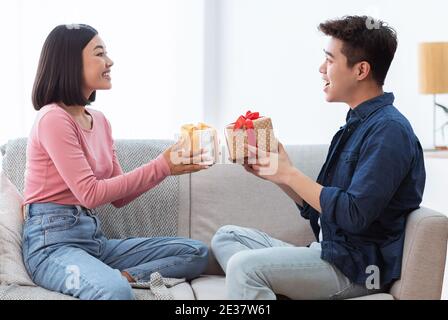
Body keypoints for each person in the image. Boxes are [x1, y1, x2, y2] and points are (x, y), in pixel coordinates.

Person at [211, 16, 426, 300]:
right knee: (226, 237)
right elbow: (322, 211)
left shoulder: (389, 132)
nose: (321, 69)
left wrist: (290, 174)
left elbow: (354, 215)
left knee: (243, 267)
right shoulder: (355, 125)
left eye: (330, 60)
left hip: (356, 269)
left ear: (361, 70)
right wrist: (280, 175)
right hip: (327, 252)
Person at [22, 24, 210, 300]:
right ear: (71, 63)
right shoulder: (53, 118)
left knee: (196, 252)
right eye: (99, 54)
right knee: (115, 293)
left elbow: (119, 198)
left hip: (94, 241)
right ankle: (111, 280)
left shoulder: (100, 121)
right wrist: (161, 165)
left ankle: (123, 275)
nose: (109, 62)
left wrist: (169, 170)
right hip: (52, 246)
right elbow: (90, 194)